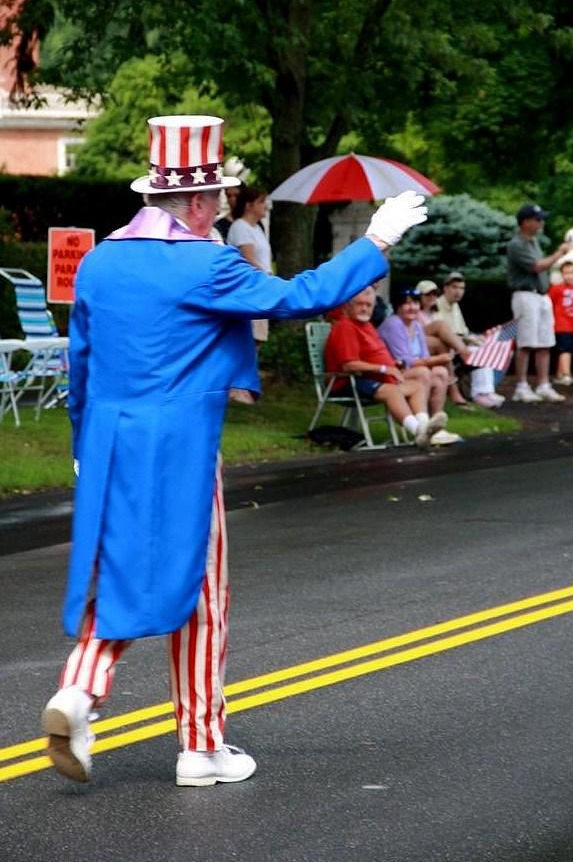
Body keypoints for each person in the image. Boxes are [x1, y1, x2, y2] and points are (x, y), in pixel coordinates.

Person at [40, 113, 429, 788]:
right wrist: (375, 240)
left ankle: (81, 688)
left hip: (107, 441)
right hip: (179, 446)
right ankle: (199, 744)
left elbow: (81, 361)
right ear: (194, 202)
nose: (221, 207)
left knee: (126, 570)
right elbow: (298, 297)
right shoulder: (203, 262)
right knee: (203, 589)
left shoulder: (101, 261)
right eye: (217, 197)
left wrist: (81, 446)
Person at [324, 286, 448, 448]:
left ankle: (426, 429)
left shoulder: (365, 325)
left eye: (368, 305)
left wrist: (393, 365)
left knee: (416, 386)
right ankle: (418, 431)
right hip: (349, 381)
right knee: (392, 391)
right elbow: (349, 365)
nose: (364, 309)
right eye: (360, 304)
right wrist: (383, 369)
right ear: (348, 306)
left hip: (373, 378)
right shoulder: (345, 326)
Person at [378, 288, 462, 445]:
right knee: (424, 372)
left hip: (414, 370)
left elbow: (424, 356)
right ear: (398, 307)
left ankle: (436, 425)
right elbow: (406, 361)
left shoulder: (416, 325)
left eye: (415, 303)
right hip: (396, 372)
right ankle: (424, 426)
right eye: (407, 304)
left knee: (441, 372)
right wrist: (439, 358)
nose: (412, 308)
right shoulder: (394, 324)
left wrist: (437, 361)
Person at [506, 203, 570, 402]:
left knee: (544, 342)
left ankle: (543, 384)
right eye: (537, 219)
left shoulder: (533, 241)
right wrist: (559, 253)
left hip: (540, 295)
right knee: (526, 342)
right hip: (525, 295)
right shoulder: (516, 244)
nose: (541, 223)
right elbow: (536, 266)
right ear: (525, 222)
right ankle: (521, 385)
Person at [436, 272, 505, 408]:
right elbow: (446, 334)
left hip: (459, 345)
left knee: (487, 346)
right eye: (454, 287)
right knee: (478, 351)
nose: (458, 292)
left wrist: (473, 337)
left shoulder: (455, 306)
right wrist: (469, 340)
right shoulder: (438, 305)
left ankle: (487, 391)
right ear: (446, 288)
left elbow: (462, 331)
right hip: (448, 349)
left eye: (461, 288)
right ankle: (479, 393)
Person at [227, 185, 272, 345]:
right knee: (250, 341)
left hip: (261, 289)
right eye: (260, 202)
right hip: (250, 292)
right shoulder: (240, 227)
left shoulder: (257, 229)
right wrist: (269, 278)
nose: (265, 206)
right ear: (248, 205)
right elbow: (248, 260)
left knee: (258, 341)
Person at [415, 279, 471, 406]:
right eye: (428, 294)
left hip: (436, 348)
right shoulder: (416, 312)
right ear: (419, 296)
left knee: (441, 341)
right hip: (417, 346)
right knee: (440, 326)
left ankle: (453, 389)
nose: (432, 297)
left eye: (434, 294)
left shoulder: (434, 313)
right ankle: (464, 352)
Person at [547, 261, 573, 386]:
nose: (569, 276)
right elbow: (548, 304)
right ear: (562, 274)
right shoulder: (556, 289)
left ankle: (560, 374)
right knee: (565, 349)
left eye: (572, 273)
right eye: (566, 273)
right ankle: (566, 374)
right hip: (561, 324)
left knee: (567, 350)